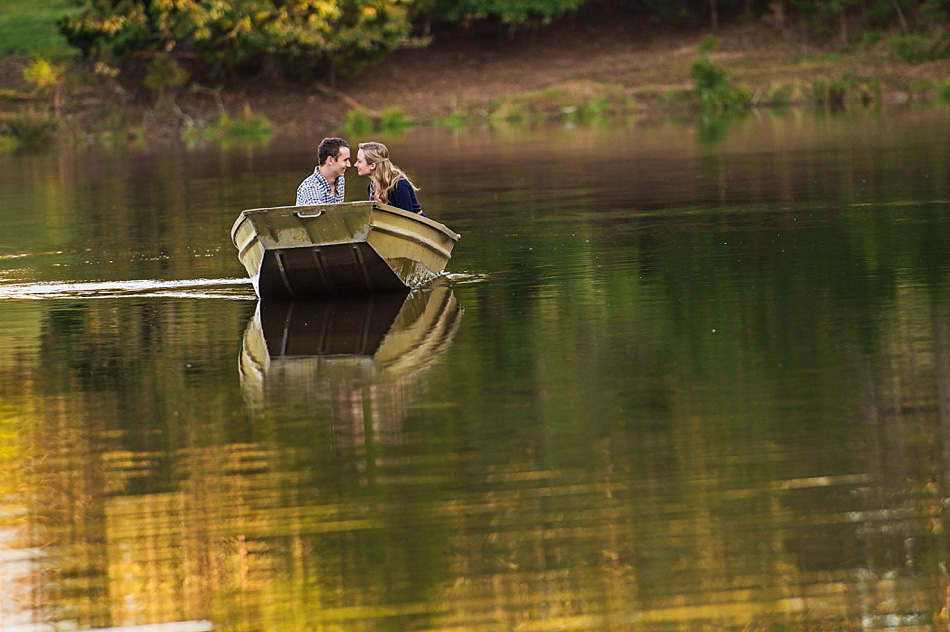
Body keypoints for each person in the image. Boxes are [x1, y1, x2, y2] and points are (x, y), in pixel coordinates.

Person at [354, 141, 424, 215]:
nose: (355, 164)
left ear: (372, 165)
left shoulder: (399, 185)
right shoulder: (371, 188)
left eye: (359, 161)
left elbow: (408, 219)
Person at [296, 137, 350, 205]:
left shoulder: (340, 181)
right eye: (345, 160)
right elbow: (316, 215)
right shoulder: (310, 188)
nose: (349, 165)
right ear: (330, 160)